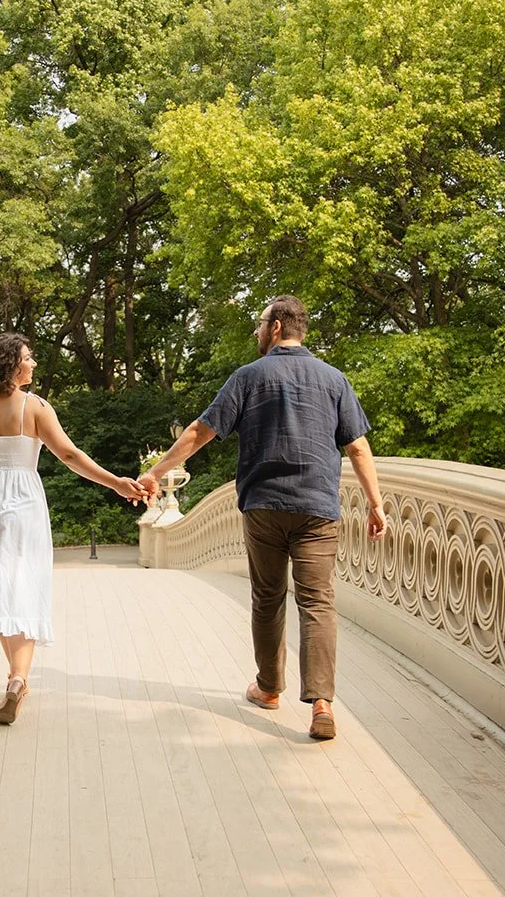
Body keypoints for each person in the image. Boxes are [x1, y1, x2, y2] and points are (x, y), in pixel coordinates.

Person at [137, 296, 389, 740]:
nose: (256, 331)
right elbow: (357, 446)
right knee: (317, 602)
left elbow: (200, 432)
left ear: (275, 328)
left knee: (268, 597)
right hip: (316, 508)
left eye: (259, 323)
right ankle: (322, 704)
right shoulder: (334, 379)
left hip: (264, 505)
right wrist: (375, 504)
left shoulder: (249, 377)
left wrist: (155, 473)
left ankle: (269, 688)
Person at [0, 333, 147, 724]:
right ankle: (18, 679)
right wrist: (116, 482)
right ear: (11, 365)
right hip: (21, 500)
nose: (33, 363)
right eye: (28, 358)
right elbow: (69, 455)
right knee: (23, 588)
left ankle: (15, 677)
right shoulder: (34, 407)